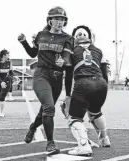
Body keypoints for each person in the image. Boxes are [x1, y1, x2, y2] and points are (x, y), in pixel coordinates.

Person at [18, 6, 74, 155]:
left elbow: (67, 57)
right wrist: (23, 42)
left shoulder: (68, 38)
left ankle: (33, 127)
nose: (59, 22)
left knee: (44, 110)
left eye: (62, 19)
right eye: (56, 19)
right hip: (41, 75)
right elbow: (32, 53)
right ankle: (50, 143)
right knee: (49, 108)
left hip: (56, 78)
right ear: (49, 20)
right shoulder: (41, 35)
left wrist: (64, 61)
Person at [62, 25, 110, 156]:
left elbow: (68, 74)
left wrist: (67, 95)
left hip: (83, 83)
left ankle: (83, 146)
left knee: (74, 118)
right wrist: (104, 87)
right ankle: (104, 138)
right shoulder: (99, 50)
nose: (79, 36)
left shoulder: (71, 51)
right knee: (95, 112)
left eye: (79, 35)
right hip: (101, 83)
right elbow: (105, 74)